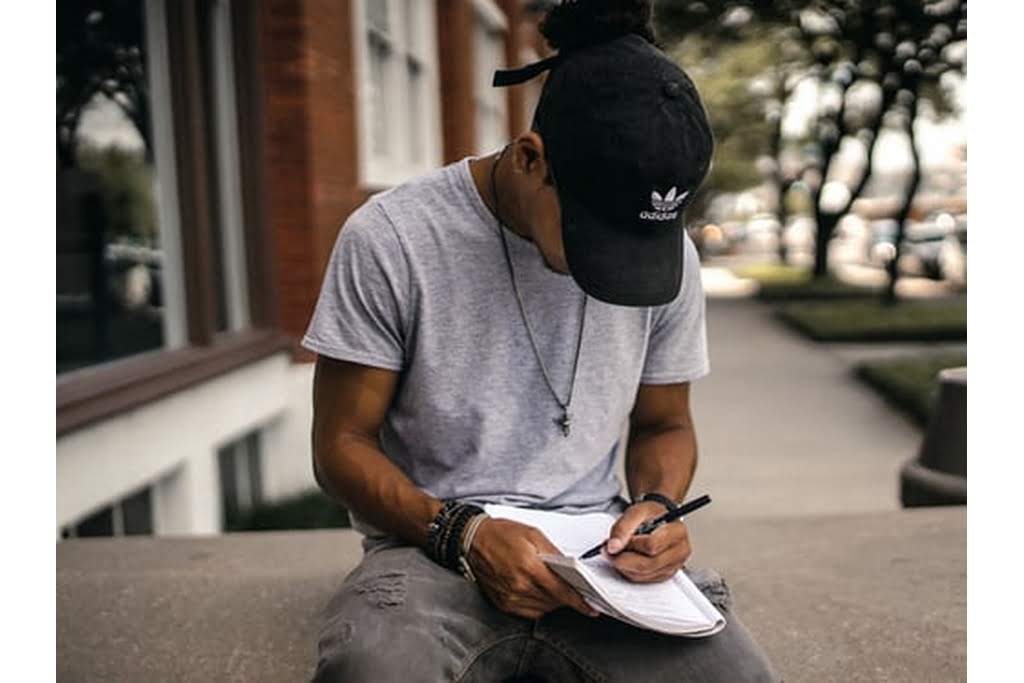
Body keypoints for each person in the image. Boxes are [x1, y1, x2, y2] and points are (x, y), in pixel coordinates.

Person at [302, 1, 779, 680]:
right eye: (597, 238)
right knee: (376, 669)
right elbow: (340, 446)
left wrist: (656, 505)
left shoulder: (671, 257)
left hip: (599, 561)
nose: (621, 263)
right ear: (531, 159)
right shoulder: (393, 238)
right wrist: (462, 532)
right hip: (430, 545)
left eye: (640, 239)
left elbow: (665, 422)